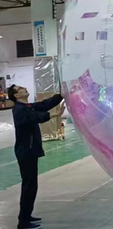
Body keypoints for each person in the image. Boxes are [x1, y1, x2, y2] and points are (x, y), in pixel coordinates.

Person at [7, 85, 64, 229]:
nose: (24, 88)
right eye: (20, 89)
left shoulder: (26, 106)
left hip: (30, 151)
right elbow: (35, 117)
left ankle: (26, 216)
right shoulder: (19, 110)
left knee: (31, 186)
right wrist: (55, 115)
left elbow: (43, 105)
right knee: (29, 187)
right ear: (16, 95)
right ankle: (23, 222)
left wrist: (62, 95)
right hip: (26, 152)